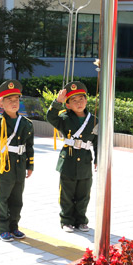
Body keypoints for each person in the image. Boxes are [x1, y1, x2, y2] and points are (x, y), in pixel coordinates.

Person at [0, 80, 34, 242]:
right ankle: (2, 228)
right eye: (9, 100)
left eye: (16, 99)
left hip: (19, 164)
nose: (14, 103)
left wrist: (30, 164)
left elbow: (29, 146)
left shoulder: (26, 123)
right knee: (1, 197)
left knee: (17, 199)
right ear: (2, 103)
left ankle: (13, 226)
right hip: (2, 164)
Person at [46, 81, 99, 233]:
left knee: (84, 194)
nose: (79, 103)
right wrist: (57, 102)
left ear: (86, 100)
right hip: (67, 161)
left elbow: (98, 142)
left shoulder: (94, 120)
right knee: (67, 194)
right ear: (68, 105)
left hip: (84, 161)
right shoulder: (64, 118)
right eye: (74, 100)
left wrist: (98, 159)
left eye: (81, 99)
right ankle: (67, 220)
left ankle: (81, 220)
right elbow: (50, 117)